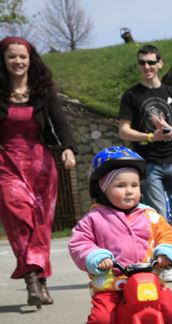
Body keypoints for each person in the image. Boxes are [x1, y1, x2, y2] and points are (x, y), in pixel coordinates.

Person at [68, 146, 172, 324]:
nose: (129, 191)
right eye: (120, 186)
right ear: (102, 188)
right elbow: (79, 243)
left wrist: (165, 253)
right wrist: (96, 257)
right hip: (112, 285)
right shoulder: (95, 219)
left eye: (134, 185)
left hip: (147, 281)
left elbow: (168, 235)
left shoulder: (150, 215)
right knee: (101, 320)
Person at [0, 36, 76, 308]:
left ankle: (40, 279)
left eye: (22, 56)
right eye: (12, 56)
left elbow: (60, 122)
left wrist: (68, 148)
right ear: (4, 60)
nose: (17, 61)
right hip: (6, 162)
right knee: (19, 216)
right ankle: (32, 276)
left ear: (30, 60)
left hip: (40, 164)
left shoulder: (42, 90)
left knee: (41, 224)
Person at [118, 44, 172, 283]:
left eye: (151, 62)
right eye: (142, 63)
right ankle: (168, 262)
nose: (147, 67)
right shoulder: (132, 95)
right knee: (159, 214)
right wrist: (151, 136)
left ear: (160, 63)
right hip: (148, 162)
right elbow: (124, 131)